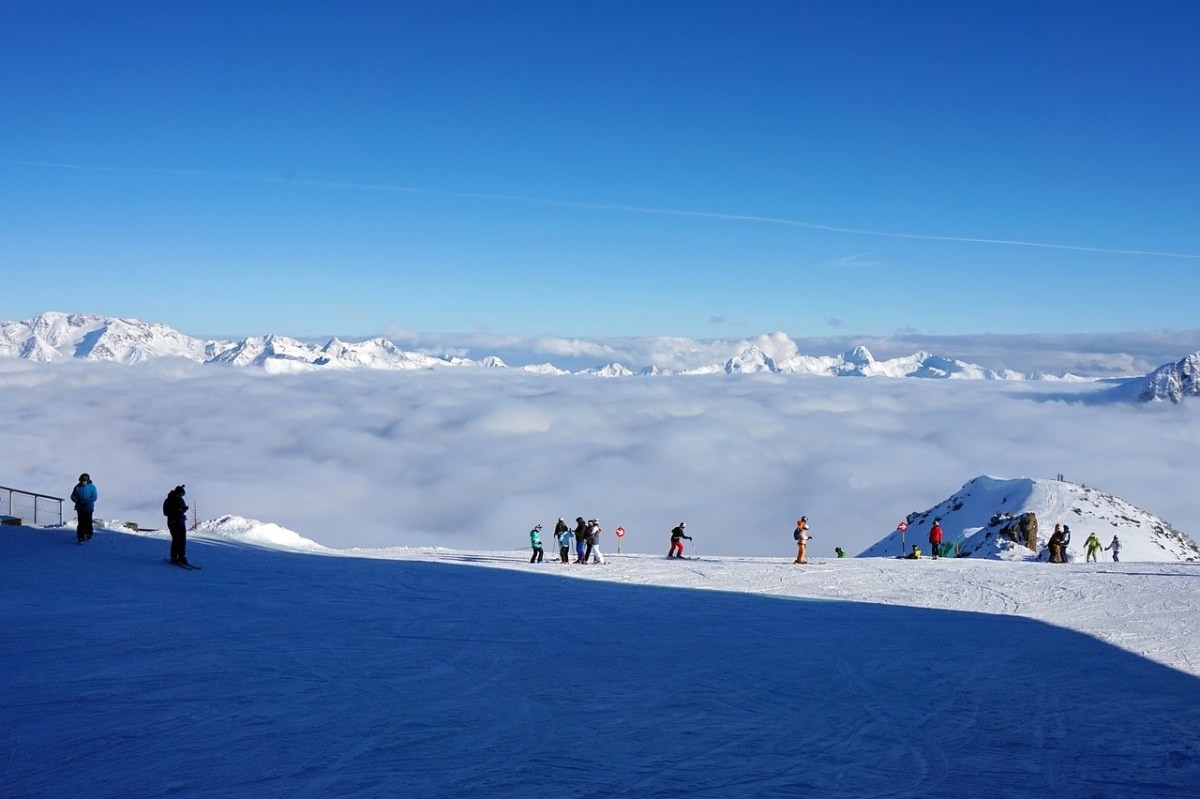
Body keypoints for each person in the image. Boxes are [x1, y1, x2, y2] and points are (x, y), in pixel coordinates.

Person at [163, 485, 190, 566]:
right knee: (176, 539)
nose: (182, 495)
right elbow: (166, 512)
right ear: (177, 493)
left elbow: (181, 510)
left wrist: (183, 509)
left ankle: (182, 557)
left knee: (182, 540)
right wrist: (177, 510)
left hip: (180, 521)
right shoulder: (169, 500)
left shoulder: (181, 500)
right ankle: (174, 557)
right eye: (181, 494)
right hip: (173, 522)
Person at [70, 473, 98, 543]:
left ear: (87, 480)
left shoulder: (92, 487)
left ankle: (89, 533)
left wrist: (85, 502)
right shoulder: (77, 487)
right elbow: (72, 496)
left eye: (84, 480)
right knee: (81, 523)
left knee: (88, 521)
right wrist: (77, 501)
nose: (83, 482)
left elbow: (94, 497)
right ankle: (80, 536)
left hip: (88, 508)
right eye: (81, 480)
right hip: (80, 508)